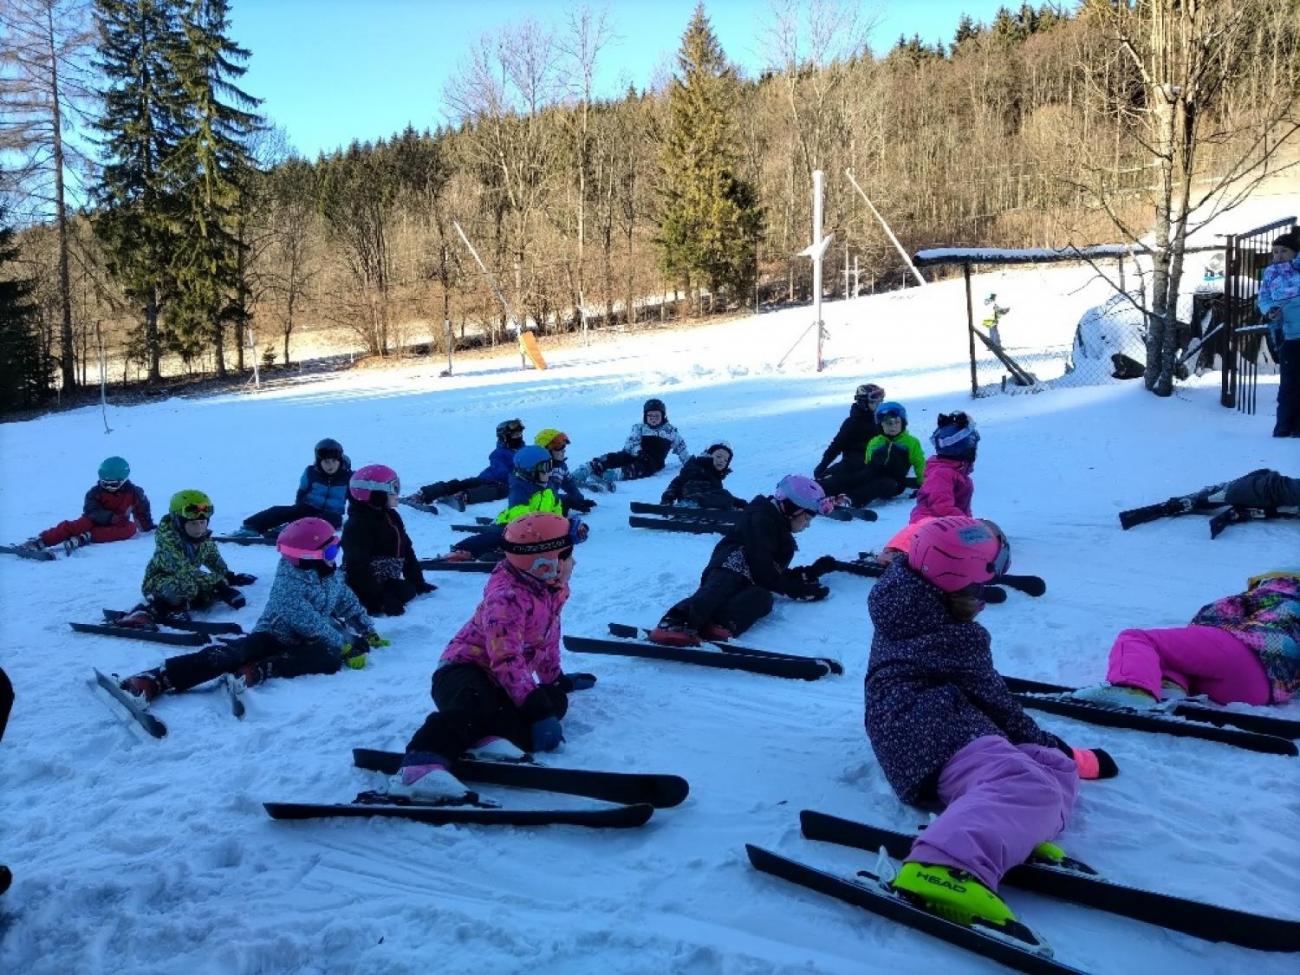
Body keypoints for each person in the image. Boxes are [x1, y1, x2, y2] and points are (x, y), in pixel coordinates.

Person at [866, 516, 1117, 929]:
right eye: (978, 588)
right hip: (924, 734)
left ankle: (1010, 827)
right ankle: (943, 866)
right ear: (957, 582)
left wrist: (1060, 755)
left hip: (928, 721)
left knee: (1053, 769)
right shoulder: (956, 637)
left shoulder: (906, 597)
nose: (982, 600)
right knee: (1028, 781)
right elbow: (1001, 708)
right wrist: (1065, 747)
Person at [386, 513, 595, 803]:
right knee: (477, 702)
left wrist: (555, 679)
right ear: (544, 564)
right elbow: (506, 658)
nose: (573, 562)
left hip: (501, 682)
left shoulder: (551, 588)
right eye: (567, 554)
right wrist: (534, 707)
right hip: (462, 672)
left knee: (554, 700)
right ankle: (420, 767)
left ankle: (483, 739)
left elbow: (547, 638)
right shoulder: (506, 597)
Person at [118, 518, 387, 704]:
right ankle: (157, 679)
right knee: (234, 654)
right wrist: (342, 645)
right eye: (330, 551)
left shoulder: (328, 573)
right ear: (308, 557)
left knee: (327, 659)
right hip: (275, 633)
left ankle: (259, 670)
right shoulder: (289, 582)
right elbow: (306, 621)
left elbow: (345, 600)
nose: (335, 556)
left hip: (307, 638)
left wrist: (366, 628)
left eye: (335, 548)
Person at [1072, 569, 1300, 709]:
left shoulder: (1274, 590)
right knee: (1179, 659)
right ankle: (1171, 688)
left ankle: (1133, 689)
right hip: (1261, 692)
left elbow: (1214, 614)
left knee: (1137, 639)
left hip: (1246, 647)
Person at [650, 475, 836, 646]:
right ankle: (675, 621)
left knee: (762, 597)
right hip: (729, 565)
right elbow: (763, 566)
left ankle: (720, 623)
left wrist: (808, 574)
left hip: (752, 577)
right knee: (720, 589)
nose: (807, 524)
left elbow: (771, 572)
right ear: (791, 508)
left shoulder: (780, 530)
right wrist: (796, 589)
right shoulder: (760, 518)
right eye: (806, 518)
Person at [446, 446, 586, 561]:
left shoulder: (549, 487)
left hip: (536, 527)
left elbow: (556, 509)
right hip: (510, 524)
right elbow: (519, 513)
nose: (549, 472)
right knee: (497, 538)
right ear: (530, 471)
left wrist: (561, 525)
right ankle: (462, 550)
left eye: (550, 466)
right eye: (545, 467)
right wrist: (540, 526)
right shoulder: (520, 488)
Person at [136, 490, 253, 617]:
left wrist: (227, 576)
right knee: (187, 587)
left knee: (205, 592)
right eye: (193, 523)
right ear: (178, 521)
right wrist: (219, 585)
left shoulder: (202, 540)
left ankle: (188, 602)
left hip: (188, 578)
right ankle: (158, 607)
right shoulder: (167, 544)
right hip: (158, 582)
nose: (199, 529)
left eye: (202, 522)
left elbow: (213, 558)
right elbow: (184, 571)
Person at [341, 464, 435, 616]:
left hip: (385, 578)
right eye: (393, 489)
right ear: (375, 494)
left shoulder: (391, 516)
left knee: (408, 590)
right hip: (361, 583)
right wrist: (379, 601)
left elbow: (407, 550)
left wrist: (418, 582)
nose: (397, 494)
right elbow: (357, 568)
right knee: (403, 592)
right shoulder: (358, 525)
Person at [18, 456, 153, 556]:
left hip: (117, 526)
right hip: (94, 522)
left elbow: (142, 511)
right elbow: (91, 510)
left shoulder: (134, 493)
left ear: (123, 480)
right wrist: (111, 518)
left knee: (130, 529)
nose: (108, 487)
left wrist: (148, 527)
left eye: (113, 484)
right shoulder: (95, 493)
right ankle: (42, 540)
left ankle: (86, 537)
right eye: (104, 483)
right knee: (79, 525)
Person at [233, 438, 352, 537]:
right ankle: (251, 527)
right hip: (309, 507)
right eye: (326, 462)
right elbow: (302, 491)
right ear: (319, 461)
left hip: (332, 515)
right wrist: (297, 511)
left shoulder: (348, 477)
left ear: (339, 460)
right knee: (282, 510)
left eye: (333, 461)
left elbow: (355, 500)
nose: (330, 465)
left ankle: (288, 531)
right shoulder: (311, 472)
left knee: (323, 520)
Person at [819, 401, 926, 507]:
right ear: (880, 425)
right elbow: (867, 462)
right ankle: (821, 488)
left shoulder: (911, 443)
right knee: (855, 477)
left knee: (885, 484)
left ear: (903, 423)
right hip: (873, 473)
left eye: (897, 422)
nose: (893, 427)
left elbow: (919, 463)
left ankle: (848, 499)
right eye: (888, 423)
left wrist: (924, 484)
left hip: (895, 481)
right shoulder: (875, 442)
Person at [570, 397, 689, 491]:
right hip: (633, 453)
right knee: (615, 457)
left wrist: (689, 462)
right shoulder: (639, 428)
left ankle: (608, 475)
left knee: (639, 468)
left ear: (663, 416)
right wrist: (638, 451)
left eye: (656, 416)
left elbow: (681, 448)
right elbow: (631, 442)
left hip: (652, 461)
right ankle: (587, 469)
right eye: (650, 416)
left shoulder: (670, 432)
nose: (653, 419)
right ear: (645, 416)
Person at [406, 419, 527, 509]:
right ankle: (424, 494)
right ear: (505, 437)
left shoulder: (524, 450)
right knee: (462, 484)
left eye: (519, 434)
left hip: (500, 484)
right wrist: (519, 472)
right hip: (490, 480)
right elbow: (502, 472)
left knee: (500, 490)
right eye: (515, 435)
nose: (518, 437)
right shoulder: (499, 453)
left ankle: (463, 496)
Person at [1258, 229, 1300, 437]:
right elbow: (1263, 299)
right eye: (1275, 252)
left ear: (1295, 252)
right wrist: (1270, 311)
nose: (1278, 255)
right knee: (1288, 384)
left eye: (1284, 251)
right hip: (1286, 335)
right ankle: (1283, 426)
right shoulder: (1270, 274)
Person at [910, 412, 978, 523]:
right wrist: (968, 523)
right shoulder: (941, 474)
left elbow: (963, 509)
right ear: (965, 449)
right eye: (973, 447)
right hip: (930, 525)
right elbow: (941, 507)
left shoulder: (960, 475)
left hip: (950, 525)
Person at [813, 383, 885, 482]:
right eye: (874, 403)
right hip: (854, 462)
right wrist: (823, 465)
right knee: (831, 479)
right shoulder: (852, 423)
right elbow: (837, 445)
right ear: (863, 403)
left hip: (876, 461)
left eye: (880, 402)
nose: (879, 406)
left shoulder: (882, 418)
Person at [660, 442, 746, 510]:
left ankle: (727, 510)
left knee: (726, 497)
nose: (721, 461)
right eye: (718, 456)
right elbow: (676, 483)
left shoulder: (716, 478)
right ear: (708, 455)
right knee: (725, 495)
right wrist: (667, 499)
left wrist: (743, 505)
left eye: (725, 460)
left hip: (704, 506)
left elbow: (718, 496)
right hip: (688, 499)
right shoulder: (695, 468)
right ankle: (691, 504)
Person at [535, 428, 595, 514]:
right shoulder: (538, 470)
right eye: (559, 447)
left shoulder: (561, 466)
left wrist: (579, 500)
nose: (564, 450)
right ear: (546, 450)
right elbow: (539, 497)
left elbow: (569, 483)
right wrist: (565, 500)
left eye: (564, 446)